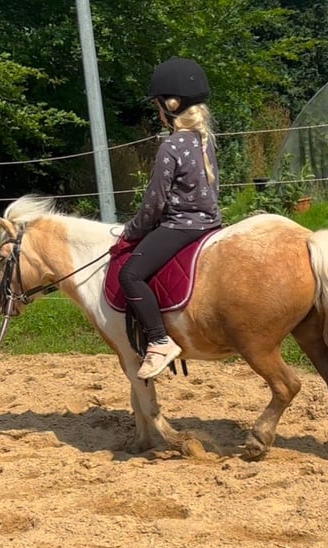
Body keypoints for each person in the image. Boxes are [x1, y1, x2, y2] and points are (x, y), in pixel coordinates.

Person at [117, 57, 222, 380]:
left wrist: (130, 232)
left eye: (158, 105)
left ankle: (160, 341)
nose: (157, 111)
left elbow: (154, 204)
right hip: (211, 224)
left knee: (131, 274)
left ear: (170, 105)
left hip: (180, 227)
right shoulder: (205, 142)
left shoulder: (171, 146)